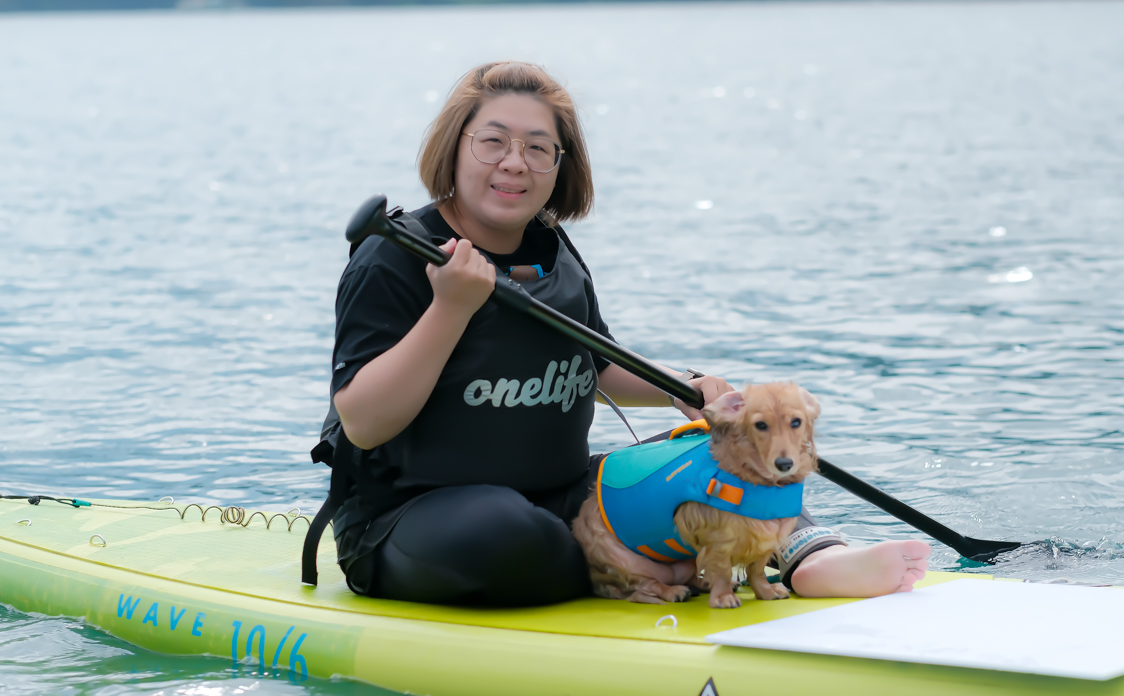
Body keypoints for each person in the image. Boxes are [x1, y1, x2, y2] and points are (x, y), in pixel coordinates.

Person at [322, 61, 929, 607]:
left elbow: (593, 364)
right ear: (455, 148)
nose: (515, 163)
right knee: (507, 534)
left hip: (563, 493)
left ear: (561, 167)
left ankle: (811, 559)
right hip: (414, 515)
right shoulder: (395, 257)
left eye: (540, 149)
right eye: (493, 142)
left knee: (721, 453)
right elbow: (364, 422)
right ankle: (654, 560)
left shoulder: (553, 247)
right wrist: (450, 309)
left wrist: (682, 388)